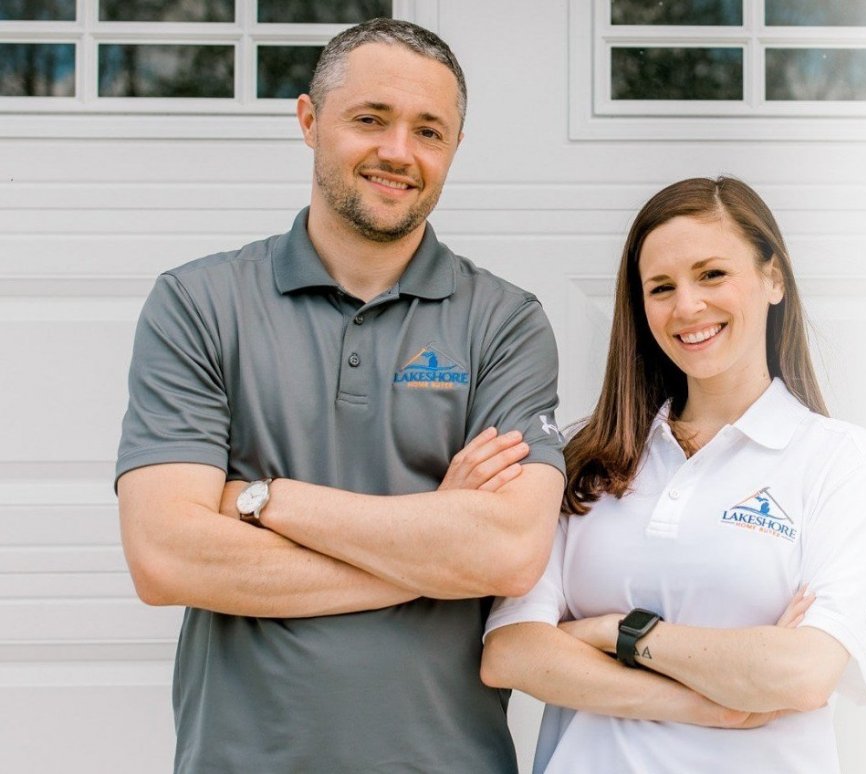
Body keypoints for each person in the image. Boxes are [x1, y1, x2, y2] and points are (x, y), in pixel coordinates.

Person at [116, 18, 565, 774]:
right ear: (308, 120)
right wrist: (435, 547)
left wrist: (264, 501)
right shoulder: (198, 304)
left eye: (429, 131)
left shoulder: (504, 323)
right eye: (371, 119)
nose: (398, 151)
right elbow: (165, 558)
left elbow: (510, 552)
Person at [481, 177, 866, 773]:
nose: (687, 307)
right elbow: (511, 651)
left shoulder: (844, 463)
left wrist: (613, 631)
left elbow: (804, 672)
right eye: (661, 287)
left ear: (773, 278)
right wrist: (713, 701)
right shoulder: (584, 455)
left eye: (712, 274)